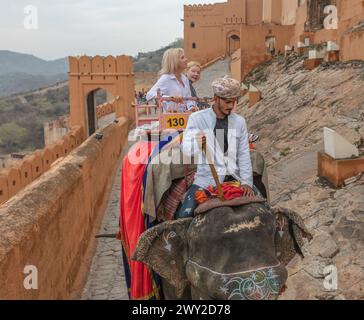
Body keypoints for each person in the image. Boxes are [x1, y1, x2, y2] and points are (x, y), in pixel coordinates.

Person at [175, 76, 254, 219]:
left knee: (265, 208)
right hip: (206, 181)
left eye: (234, 102)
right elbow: (186, 149)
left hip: (234, 178)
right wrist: (197, 143)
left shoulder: (240, 122)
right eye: (227, 102)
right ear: (216, 98)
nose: (231, 106)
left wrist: (247, 182)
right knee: (183, 216)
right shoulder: (197, 118)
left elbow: (243, 154)